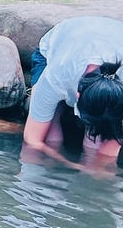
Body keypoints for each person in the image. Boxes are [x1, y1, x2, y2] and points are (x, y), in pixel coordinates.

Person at [22, 16, 123, 168]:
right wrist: (68, 163)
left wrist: (100, 168)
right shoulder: (57, 75)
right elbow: (32, 140)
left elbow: (113, 137)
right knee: (52, 135)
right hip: (51, 54)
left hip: (102, 39)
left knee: (98, 139)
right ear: (77, 96)